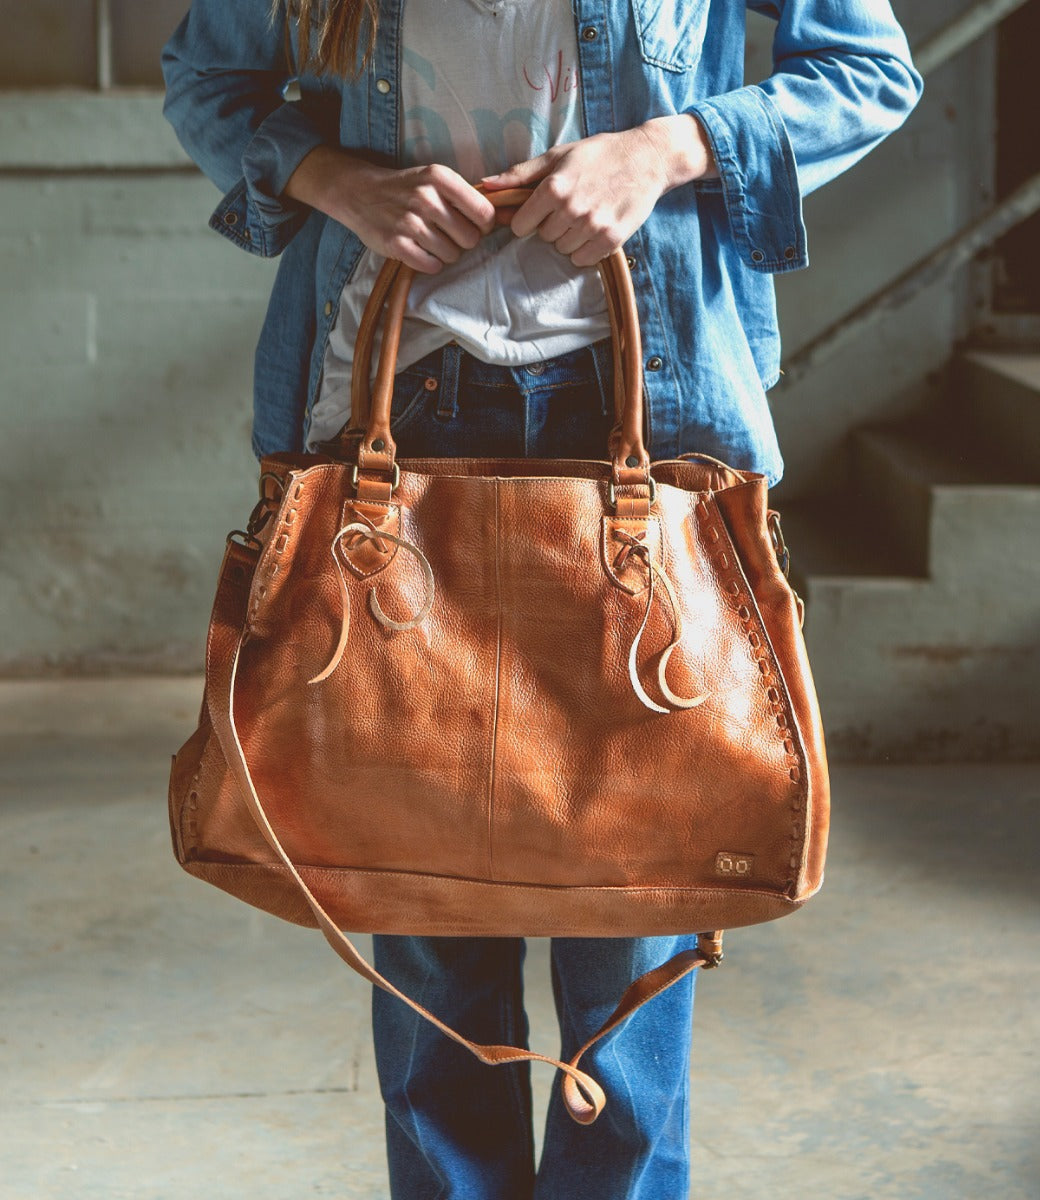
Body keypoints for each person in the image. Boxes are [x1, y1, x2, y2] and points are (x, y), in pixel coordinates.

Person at [161, 1, 921, 1195]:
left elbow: (868, 72)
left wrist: (665, 149)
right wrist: (332, 178)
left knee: (633, 916)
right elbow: (209, 78)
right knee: (420, 906)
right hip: (401, 407)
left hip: (644, 410)